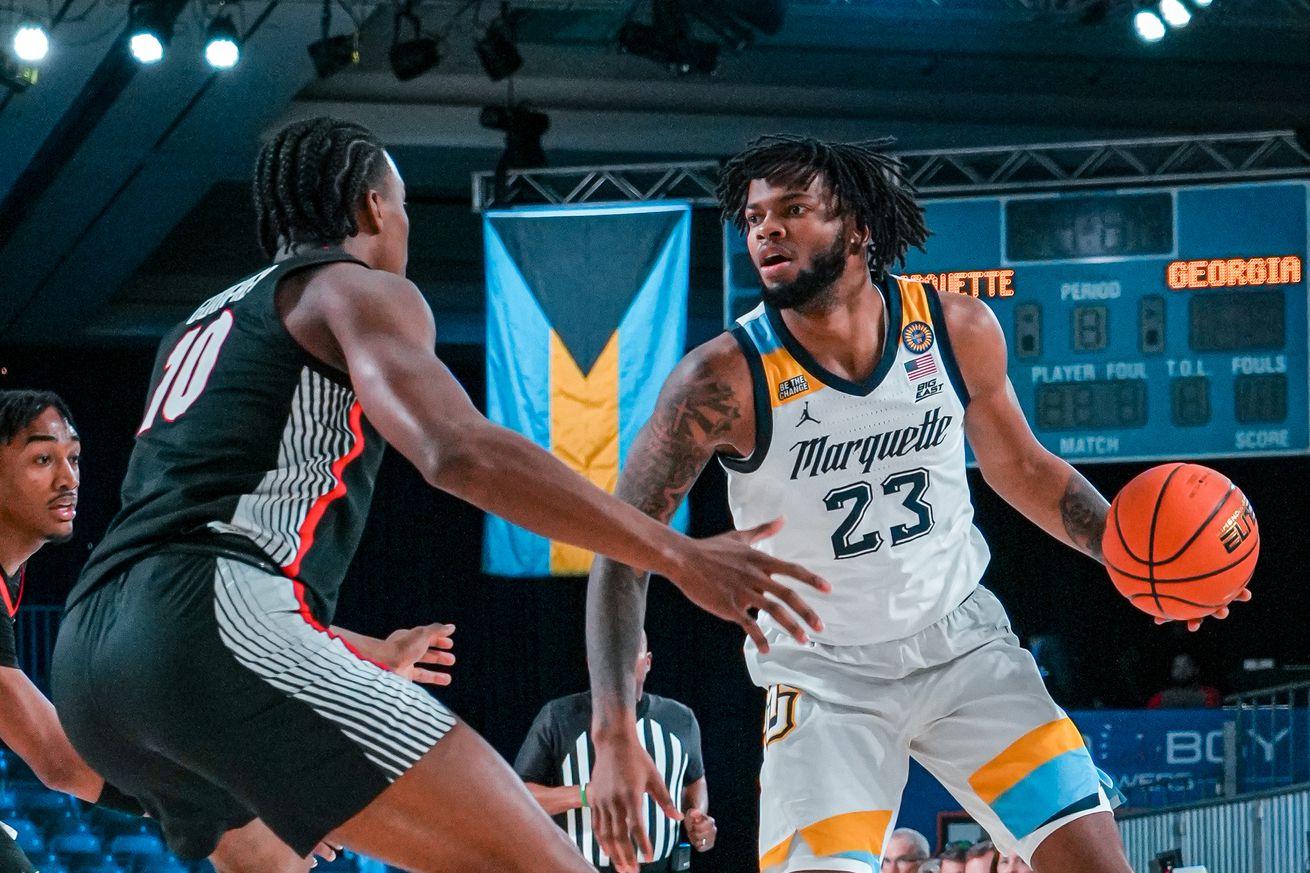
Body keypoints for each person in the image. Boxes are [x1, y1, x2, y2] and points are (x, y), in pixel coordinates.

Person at [49, 117, 826, 873]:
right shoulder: (355, 288)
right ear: (373, 208)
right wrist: (676, 552)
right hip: (209, 619)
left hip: (90, 656)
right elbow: (455, 449)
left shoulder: (199, 320)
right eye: (406, 206)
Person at [583, 135, 1247, 873]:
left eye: (793, 209)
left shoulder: (956, 330)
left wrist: (1137, 560)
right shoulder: (720, 380)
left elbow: (1022, 467)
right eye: (753, 216)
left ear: (860, 227)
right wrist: (614, 728)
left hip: (964, 647)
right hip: (823, 676)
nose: (765, 229)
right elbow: (622, 547)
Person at [0, 390, 145, 872]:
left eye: (74, 458)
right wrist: (223, 808)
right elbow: (58, 759)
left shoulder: (10, 576)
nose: (68, 479)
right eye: (43, 458)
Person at [514, 630, 716, 872]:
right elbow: (518, 796)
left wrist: (697, 817)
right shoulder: (558, 718)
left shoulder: (680, 719)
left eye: (631, 652)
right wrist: (585, 794)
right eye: (609, 655)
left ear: (648, 662)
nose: (620, 663)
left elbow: (695, 779)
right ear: (592, 664)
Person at [1146, 653, 1221, 709]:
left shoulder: (1211, 695)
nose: (1182, 670)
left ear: (1196, 670)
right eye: (1177, 667)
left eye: (1186, 666)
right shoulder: (1158, 699)